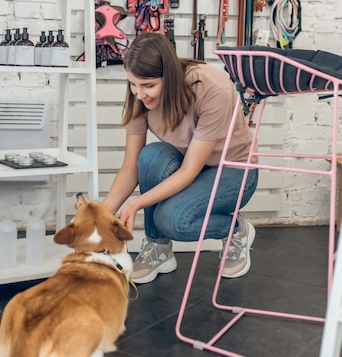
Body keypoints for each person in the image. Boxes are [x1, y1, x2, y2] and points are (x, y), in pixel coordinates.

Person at [101, 32, 258, 284]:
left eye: (148, 86)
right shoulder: (139, 95)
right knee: (151, 156)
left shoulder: (212, 89)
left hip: (234, 170)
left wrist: (135, 204)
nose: (139, 94)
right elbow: (131, 167)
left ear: (170, 77)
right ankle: (158, 249)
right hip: (192, 167)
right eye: (132, 84)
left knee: (174, 220)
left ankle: (236, 231)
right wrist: (102, 213)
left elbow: (189, 171)